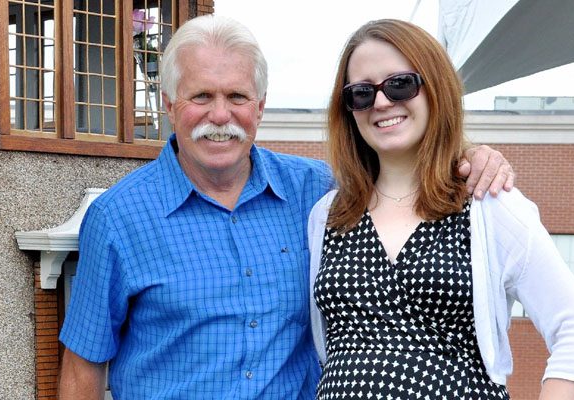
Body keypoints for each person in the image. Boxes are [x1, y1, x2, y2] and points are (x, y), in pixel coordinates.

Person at [58, 15, 515, 399]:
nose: (221, 115)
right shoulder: (118, 218)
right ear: (170, 106)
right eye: (202, 97)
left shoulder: (322, 195)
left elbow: (408, 172)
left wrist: (470, 157)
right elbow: (83, 369)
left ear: (260, 107)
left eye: (237, 97)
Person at [308, 18, 574, 400]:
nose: (380, 102)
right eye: (360, 93)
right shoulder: (327, 214)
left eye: (399, 84)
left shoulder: (488, 203)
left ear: (435, 88)